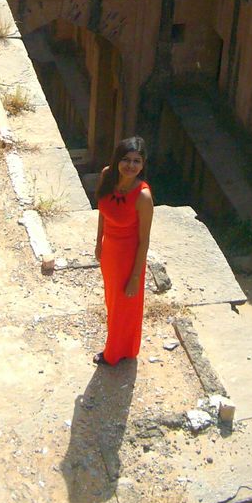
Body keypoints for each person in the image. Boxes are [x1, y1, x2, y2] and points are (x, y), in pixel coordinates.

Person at [93, 136, 154, 366]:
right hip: (110, 252)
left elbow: (144, 241)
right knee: (113, 302)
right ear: (118, 160)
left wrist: (136, 277)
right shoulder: (107, 176)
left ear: (143, 163)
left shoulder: (142, 196)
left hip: (129, 257)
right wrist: (99, 242)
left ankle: (113, 353)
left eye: (136, 161)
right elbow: (103, 211)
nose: (131, 165)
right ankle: (125, 347)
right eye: (126, 159)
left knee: (124, 306)